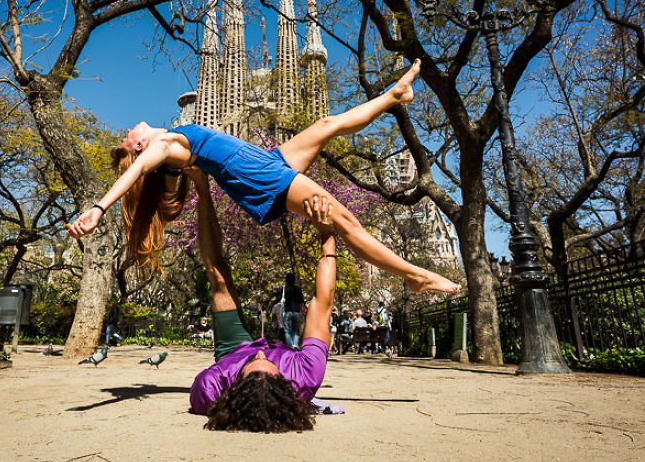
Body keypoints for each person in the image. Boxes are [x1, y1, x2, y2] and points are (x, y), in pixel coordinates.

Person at [67, 60, 459, 296]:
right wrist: (100, 208)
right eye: (126, 138)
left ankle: (394, 95)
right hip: (259, 177)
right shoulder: (163, 146)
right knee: (345, 221)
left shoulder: (172, 142)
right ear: (138, 145)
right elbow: (136, 172)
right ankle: (415, 276)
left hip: (266, 159)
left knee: (327, 123)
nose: (127, 129)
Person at [186, 167, 336, 432]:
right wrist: (327, 235)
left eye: (253, 364)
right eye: (266, 362)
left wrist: (240, 364)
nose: (259, 352)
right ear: (286, 385)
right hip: (274, 369)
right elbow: (322, 303)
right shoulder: (306, 376)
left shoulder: (209, 389)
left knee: (219, 278)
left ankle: (201, 185)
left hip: (232, 353)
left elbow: (211, 398)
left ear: (233, 389)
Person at [282, 272, 305, 349]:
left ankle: (290, 346)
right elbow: (302, 301)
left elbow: (282, 300)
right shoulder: (298, 289)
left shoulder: (285, 289)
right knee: (295, 330)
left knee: (287, 331)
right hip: (297, 312)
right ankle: (295, 345)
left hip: (288, 311)